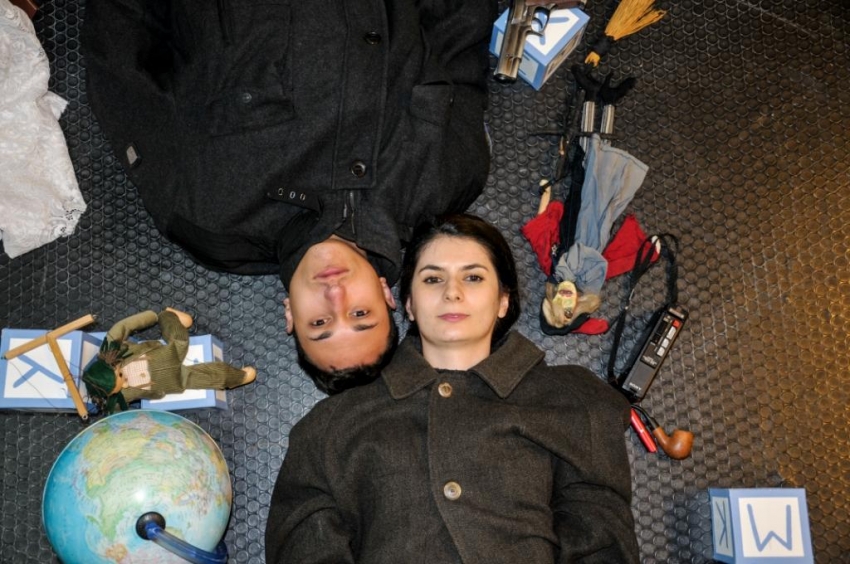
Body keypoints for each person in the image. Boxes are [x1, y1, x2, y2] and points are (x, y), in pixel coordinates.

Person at [80, 0, 498, 388]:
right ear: (388, 294)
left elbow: (119, 69)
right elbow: (458, 39)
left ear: (289, 315)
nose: (335, 296)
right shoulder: (448, 179)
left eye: (319, 323)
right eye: (360, 314)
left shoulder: (207, 218)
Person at [265, 214, 641, 563]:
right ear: (409, 305)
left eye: (473, 277)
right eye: (433, 279)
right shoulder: (331, 426)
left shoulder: (569, 399)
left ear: (503, 301)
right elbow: (303, 547)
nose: (452, 292)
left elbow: (601, 540)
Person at [82, 308, 256, 413]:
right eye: (118, 388)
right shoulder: (118, 398)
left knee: (180, 340)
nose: (125, 383)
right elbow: (117, 415)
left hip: (168, 353)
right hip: (176, 380)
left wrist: (151, 317)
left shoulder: (112, 351)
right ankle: (237, 377)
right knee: (208, 377)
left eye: (120, 376)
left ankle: (168, 315)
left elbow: (121, 327)